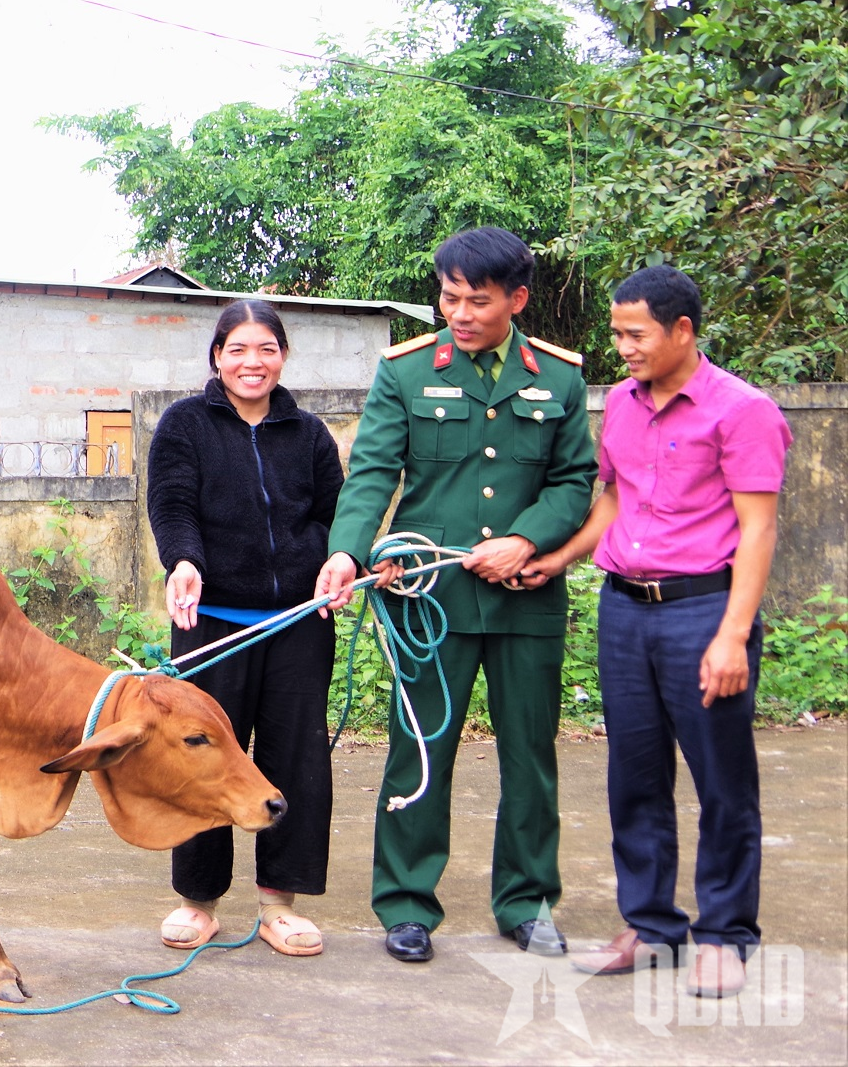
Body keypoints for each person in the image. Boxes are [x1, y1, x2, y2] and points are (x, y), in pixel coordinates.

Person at [315, 226, 596, 963]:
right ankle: (407, 903)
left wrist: (527, 538)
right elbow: (374, 470)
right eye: (448, 297)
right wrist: (348, 550)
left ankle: (528, 901)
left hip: (526, 597)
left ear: (517, 299)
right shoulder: (406, 372)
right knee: (420, 748)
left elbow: (574, 481)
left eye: (478, 300)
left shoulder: (559, 378)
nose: (460, 313)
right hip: (428, 600)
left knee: (530, 754)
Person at [517, 266, 790, 999]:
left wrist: (733, 634)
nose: (624, 348)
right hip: (625, 610)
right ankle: (651, 925)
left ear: (682, 332)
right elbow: (612, 499)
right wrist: (558, 561)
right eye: (617, 334)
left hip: (704, 609)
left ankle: (726, 933)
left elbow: (759, 531)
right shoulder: (626, 408)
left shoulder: (743, 411)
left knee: (721, 780)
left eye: (636, 335)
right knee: (633, 776)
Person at [145, 300, 344, 957]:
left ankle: (278, 905)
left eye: (265, 349)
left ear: (282, 356)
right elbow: (172, 507)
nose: (251, 362)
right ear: (216, 356)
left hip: (296, 626)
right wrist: (184, 563)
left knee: (294, 760)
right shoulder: (184, 426)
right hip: (212, 627)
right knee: (201, 762)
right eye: (238, 349)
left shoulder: (309, 434)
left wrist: (334, 559)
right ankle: (197, 901)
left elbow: (332, 514)